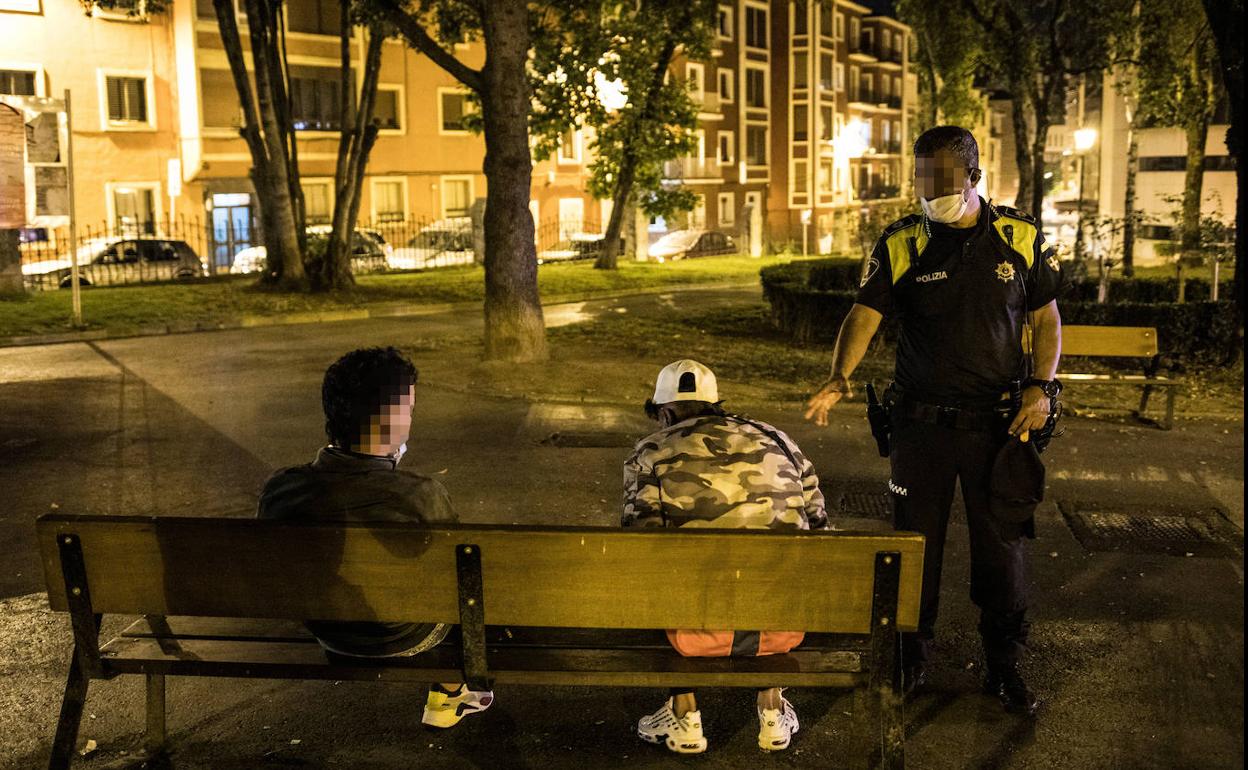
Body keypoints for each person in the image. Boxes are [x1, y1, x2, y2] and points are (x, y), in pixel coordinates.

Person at [804, 126, 1064, 718]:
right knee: (912, 547)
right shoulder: (901, 242)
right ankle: (909, 656)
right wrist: (840, 375)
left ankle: (1004, 663)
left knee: (1002, 552)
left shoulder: (1018, 237)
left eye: (942, 178)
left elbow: (1046, 318)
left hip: (999, 428)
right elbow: (864, 314)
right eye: (922, 177)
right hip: (920, 428)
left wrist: (1041, 387)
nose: (930, 190)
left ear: (973, 176)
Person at [257, 346, 493, 729]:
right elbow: (454, 579)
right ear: (392, 419)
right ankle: (452, 688)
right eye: (410, 410)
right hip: (407, 634)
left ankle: (450, 690)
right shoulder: (420, 494)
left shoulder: (282, 489)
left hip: (327, 628)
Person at [623, 359, 829, 754]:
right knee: (778, 554)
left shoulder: (651, 452)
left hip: (693, 633)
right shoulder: (780, 440)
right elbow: (820, 529)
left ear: (664, 412)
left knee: (660, 571)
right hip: (782, 628)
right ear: (715, 403)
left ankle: (685, 715)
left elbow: (638, 547)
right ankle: (771, 708)